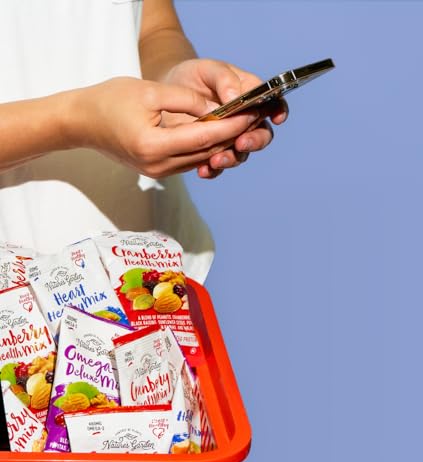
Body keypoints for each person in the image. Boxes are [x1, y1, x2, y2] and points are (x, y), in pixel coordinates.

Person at [0, 0, 287, 284]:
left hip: (151, 263)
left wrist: (171, 80)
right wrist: (75, 120)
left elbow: (154, 30)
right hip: (17, 283)